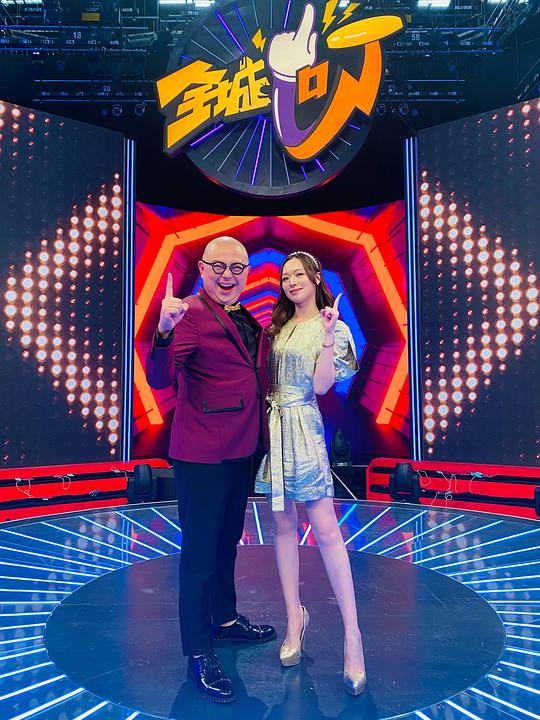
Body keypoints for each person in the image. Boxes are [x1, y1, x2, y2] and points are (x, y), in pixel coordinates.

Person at [146, 236, 276, 704]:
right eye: (218, 266)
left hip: (240, 449)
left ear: (247, 274)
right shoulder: (189, 313)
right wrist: (163, 330)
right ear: (202, 269)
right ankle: (199, 652)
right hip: (202, 454)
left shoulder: (244, 315)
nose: (227, 275)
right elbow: (160, 377)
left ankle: (225, 620)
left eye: (237, 268)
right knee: (200, 555)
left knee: (225, 545)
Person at [255, 250, 367, 696]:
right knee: (282, 527)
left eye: (299, 274)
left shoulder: (332, 327)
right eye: (285, 276)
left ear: (316, 278)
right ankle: (294, 620)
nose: (291, 281)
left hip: (304, 425)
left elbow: (321, 387)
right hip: (275, 429)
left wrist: (327, 334)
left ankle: (353, 638)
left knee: (326, 531)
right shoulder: (278, 327)